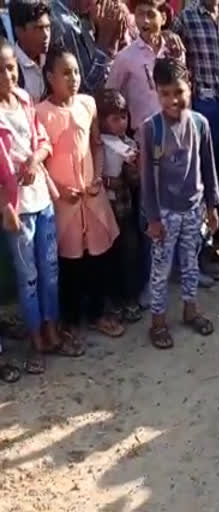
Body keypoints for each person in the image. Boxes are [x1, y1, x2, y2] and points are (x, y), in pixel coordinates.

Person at [36, 46, 124, 344]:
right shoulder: (41, 113)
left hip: (91, 194)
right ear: (50, 77)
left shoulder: (87, 103)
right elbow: (41, 160)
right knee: (70, 260)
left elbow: (96, 144)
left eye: (75, 71)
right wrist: (59, 190)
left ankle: (99, 313)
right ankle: (71, 318)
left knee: (97, 255)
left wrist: (96, 176)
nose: (73, 78)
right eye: (65, 73)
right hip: (64, 202)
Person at [0, 40, 74, 375]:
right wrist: (6, 206)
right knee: (27, 277)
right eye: (1, 69)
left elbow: (41, 140)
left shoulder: (25, 100)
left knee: (50, 270)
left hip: (42, 199)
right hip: (17, 207)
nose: (7, 74)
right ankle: (35, 340)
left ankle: (52, 328)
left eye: (11, 66)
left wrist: (35, 158)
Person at [141, 58, 219, 349]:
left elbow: (209, 168)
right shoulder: (151, 129)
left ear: (190, 87)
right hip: (165, 212)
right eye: (165, 94)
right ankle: (158, 322)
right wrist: (153, 219)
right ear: (157, 93)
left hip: (193, 209)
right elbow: (148, 180)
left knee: (190, 264)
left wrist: (212, 206)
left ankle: (190, 310)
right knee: (160, 269)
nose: (173, 100)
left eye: (178, 92)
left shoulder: (201, 124)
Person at [171, 0, 219, 254]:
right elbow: (172, 49)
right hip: (203, 105)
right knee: (202, 177)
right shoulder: (186, 18)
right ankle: (204, 246)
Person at [96, 89, 143, 324]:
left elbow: (135, 177)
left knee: (129, 254)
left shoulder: (129, 143)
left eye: (124, 117)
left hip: (125, 209)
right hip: (104, 211)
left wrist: (134, 173)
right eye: (115, 118)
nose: (121, 122)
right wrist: (107, 181)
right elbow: (93, 176)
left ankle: (131, 299)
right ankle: (113, 302)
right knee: (109, 258)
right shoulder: (98, 144)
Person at [105, 0, 183, 135]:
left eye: (151, 15)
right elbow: (111, 97)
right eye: (140, 14)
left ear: (163, 18)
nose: (145, 21)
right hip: (143, 136)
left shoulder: (174, 51)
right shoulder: (126, 57)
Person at [49, 0, 126, 93]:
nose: (102, 6)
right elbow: (86, 88)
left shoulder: (79, 12)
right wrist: (104, 40)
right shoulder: (65, 27)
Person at [8, 0, 51, 103]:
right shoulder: (9, 69)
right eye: (38, 28)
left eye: (48, 27)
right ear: (19, 31)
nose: (46, 35)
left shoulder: (55, 59)